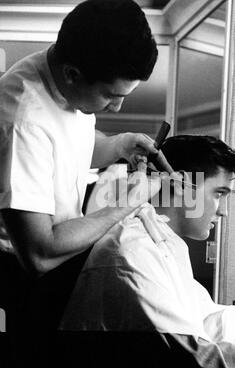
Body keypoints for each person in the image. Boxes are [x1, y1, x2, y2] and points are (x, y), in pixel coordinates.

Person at [60, 135, 235, 368]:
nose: (223, 211)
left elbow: (209, 321)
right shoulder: (131, 250)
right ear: (182, 185)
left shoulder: (164, 243)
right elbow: (195, 359)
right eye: (219, 193)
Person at [0, 0, 171, 336]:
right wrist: (128, 202)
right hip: (26, 275)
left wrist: (119, 144)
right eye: (111, 95)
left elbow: (67, 149)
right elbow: (39, 254)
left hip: (55, 256)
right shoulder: (23, 122)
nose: (118, 107)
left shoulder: (59, 75)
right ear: (72, 74)